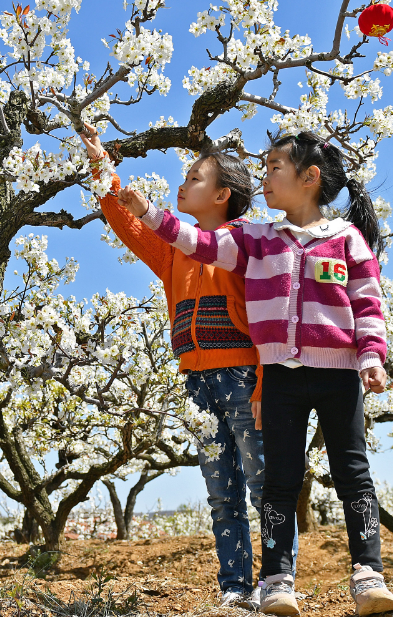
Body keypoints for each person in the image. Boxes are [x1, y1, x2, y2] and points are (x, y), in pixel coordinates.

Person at [115, 130, 393, 616]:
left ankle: (368, 576)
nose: (264, 177)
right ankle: (276, 582)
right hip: (281, 375)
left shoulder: (347, 239)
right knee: (278, 482)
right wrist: (148, 215)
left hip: (337, 375)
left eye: (274, 168)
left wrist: (371, 356)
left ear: (309, 178)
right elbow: (201, 244)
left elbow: (367, 302)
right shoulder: (257, 238)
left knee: (353, 473)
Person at [78, 123, 296, 611]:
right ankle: (235, 589)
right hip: (197, 382)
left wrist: (266, 382)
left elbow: (271, 320)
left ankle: (278, 583)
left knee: (264, 488)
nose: (182, 185)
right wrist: (101, 164)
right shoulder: (174, 249)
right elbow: (123, 220)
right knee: (222, 494)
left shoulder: (246, 247)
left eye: (195, 178)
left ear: (222, 195)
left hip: (245, 380)